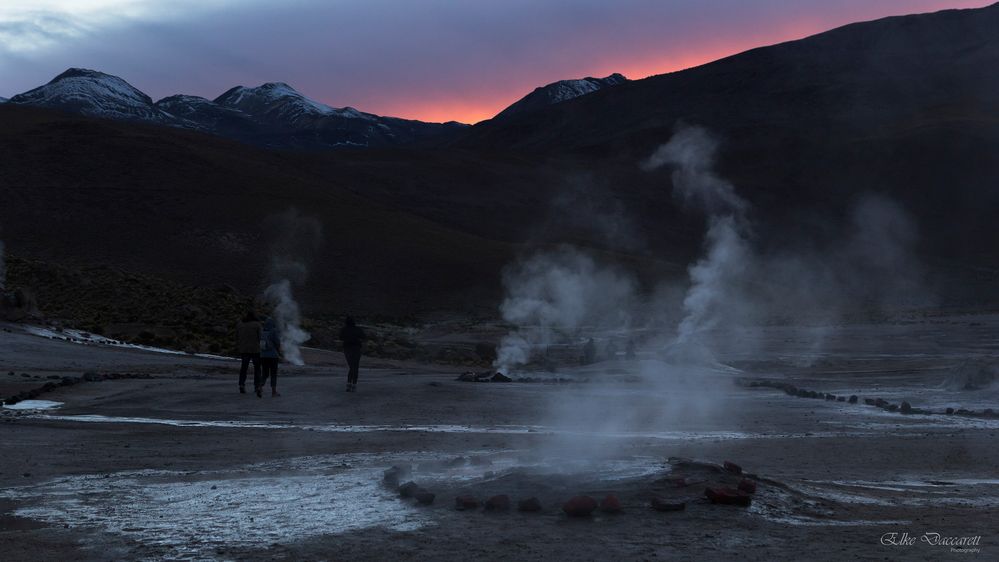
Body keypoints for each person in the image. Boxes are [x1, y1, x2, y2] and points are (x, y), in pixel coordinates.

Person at [236, 311, 262, 395]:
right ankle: (257, 386)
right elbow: (261, 337)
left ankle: (241, 384)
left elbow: (237, 336)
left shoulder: (240, 324)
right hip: (255, 350)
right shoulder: (257, 325)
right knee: (257, 368)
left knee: (244, 368)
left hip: (244, 349)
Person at [339, 316, 366, 392]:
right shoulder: (357, 329)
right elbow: (364, 337)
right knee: (355, 366)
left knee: (351, 366)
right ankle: (353, 384)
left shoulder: (344, 329)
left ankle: (349, 384)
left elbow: (340, 337)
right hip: (356, 348)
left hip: (347, 349)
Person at [259, 317, 282, 397]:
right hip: (273, 356)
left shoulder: (262, 331)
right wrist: (279, 352)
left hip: (263, 356)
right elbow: (277, 342)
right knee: (273, 374)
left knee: (264, 373)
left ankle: (260, 386)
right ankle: (273, 392)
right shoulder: (274, 331)